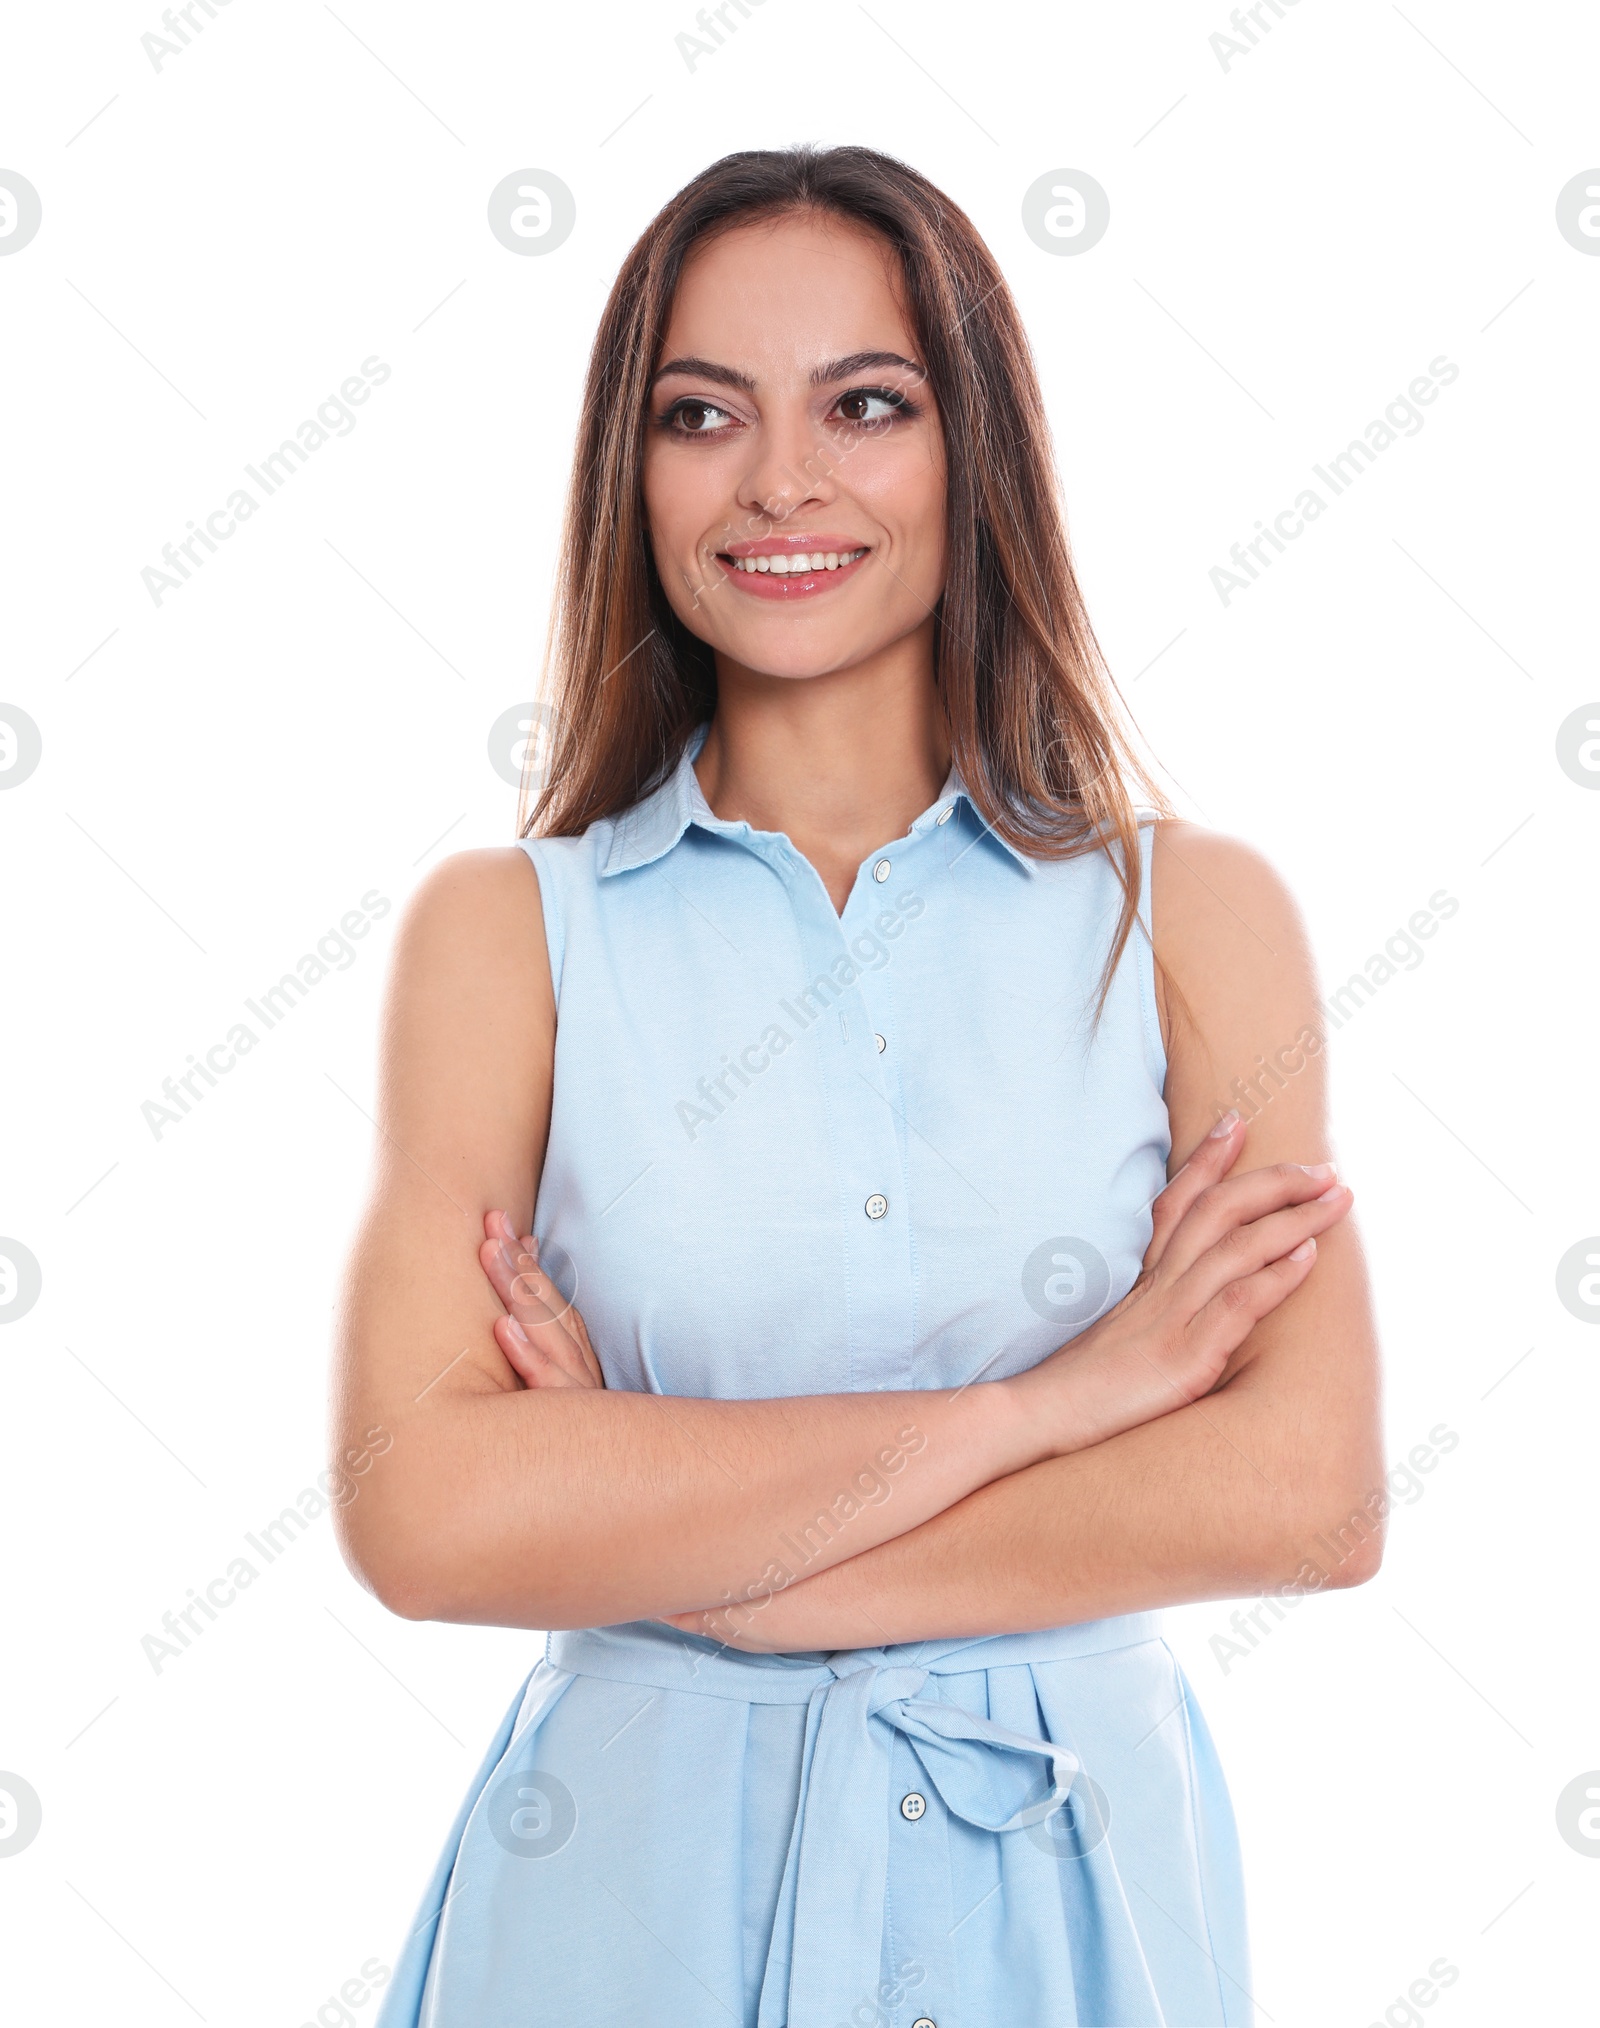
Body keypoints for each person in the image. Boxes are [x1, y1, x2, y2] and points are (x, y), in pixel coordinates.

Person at [333, 144, 1382, 2028]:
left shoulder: (1190, 917)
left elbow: (1307, 1494)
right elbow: (426, 1511)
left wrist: (707, 1566)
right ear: (628, 473)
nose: (781, 483)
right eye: (702, 414)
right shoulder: (508, 935)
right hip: (624, 1920)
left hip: (1062, 1921)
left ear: (970, 451)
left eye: (866, 405)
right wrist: (1067, 1406)